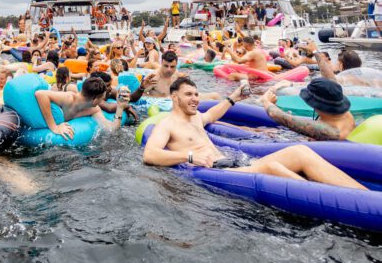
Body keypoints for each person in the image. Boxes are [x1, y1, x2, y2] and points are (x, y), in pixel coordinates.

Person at [142, 78, 367, 190]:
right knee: (272, 168)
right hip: (214, 172)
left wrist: (234, 98)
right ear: (174, 97)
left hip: (232, 163)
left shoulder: (194, 118)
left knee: (300, 151)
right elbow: (150, 155)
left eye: (196, 94)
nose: (195, 99)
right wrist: (189, 157)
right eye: (189, 94)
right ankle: (330, 201)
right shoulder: (166, 124)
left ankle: (364, 194)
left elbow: (212, 113)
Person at [34, 77, 131, 140]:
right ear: (95, 100)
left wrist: (120, 107)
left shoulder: (93, 109)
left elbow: (111, 128)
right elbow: (40, 94)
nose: (102, 100)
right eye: (102, 98)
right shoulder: (68, 98)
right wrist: (54, 127)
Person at [261, 79, 355, 141]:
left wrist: (266, 100)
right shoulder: (345, 114)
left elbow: (276, 115)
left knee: (263, 133)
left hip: (316, 156)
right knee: (268, 131)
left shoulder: (330, 131)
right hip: (316, 142)